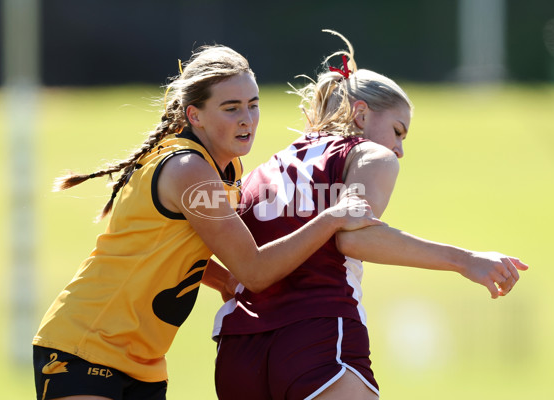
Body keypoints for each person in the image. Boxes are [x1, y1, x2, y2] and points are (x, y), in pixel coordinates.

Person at [32, 44, 379, 400]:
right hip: (85, 343)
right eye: (231, 108)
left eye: (253, 104)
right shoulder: (190, 170)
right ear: (194, 116)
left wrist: (223, 279)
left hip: (144, 362)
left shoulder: (225, 168)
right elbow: (255, 271)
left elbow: (170, 244)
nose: (247, 118)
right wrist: (332, 216)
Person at [212, 30, 529, 400]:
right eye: (397, 131)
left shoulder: (258, 172)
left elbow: (195, 243)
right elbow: (355, 236)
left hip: (238, 352)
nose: (398, 149)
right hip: (318, 340)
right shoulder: (367, 155)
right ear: (360, 114)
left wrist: (223, 280)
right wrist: (466, 260)